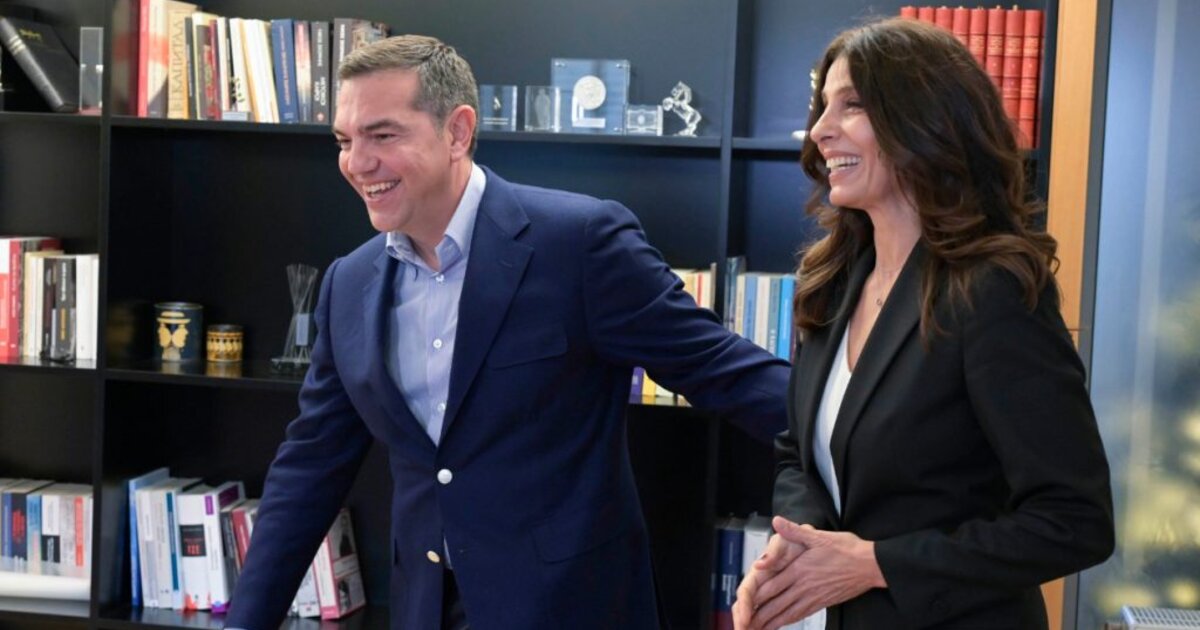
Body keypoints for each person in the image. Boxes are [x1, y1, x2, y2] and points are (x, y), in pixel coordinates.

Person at [222, 34, 790, 630]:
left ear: (458, 132)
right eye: (344, 140)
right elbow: (310, 468)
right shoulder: (348, 283)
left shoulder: (581, 243)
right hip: (424, 610)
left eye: (382, 135)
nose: (356, 162)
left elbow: (723, 372)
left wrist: (852, 455)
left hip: (569, 612)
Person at [732, 18, 1114, 630]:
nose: (821, 129)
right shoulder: (831, 283)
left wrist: (875, 564)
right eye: (822, 106)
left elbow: (1075, 521)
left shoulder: (991, 291)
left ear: (924, 121)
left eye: (852, 105)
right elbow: (795, 456)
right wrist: (798, 548)